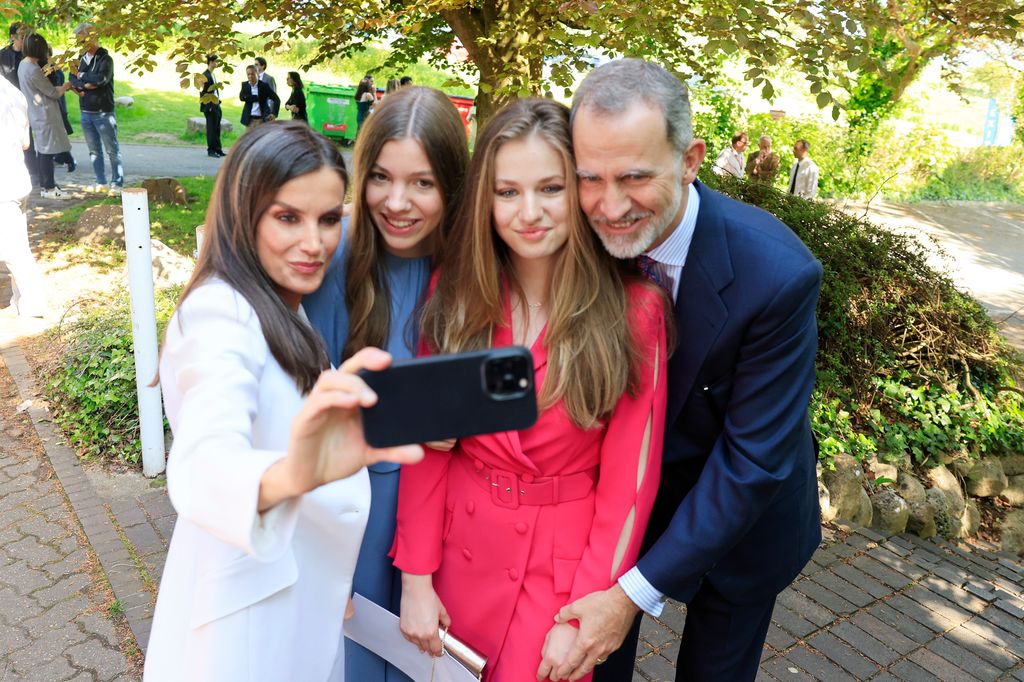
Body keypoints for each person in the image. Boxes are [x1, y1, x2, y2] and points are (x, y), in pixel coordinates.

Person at [555, 57, 822, 682]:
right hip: (620, 514)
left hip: (744, 523)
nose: (609, 206)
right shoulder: (582, 240)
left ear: (692, 159)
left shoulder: (778, 275)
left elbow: (753, 460)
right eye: (589, 178)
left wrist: (633, 594)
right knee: (594, 659)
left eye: (635, 177)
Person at [393, 98, 668, 682]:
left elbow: (629, 487)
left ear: (579, 191)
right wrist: (416, 579)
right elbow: (426, 449)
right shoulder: (459, 293)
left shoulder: (632, 312)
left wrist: (588, 611)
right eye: (508, 192)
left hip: (559, 578)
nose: (529, 212)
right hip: (457, 555)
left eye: (550, 188)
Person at [142, 121, 424, 682]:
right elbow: (203, 464)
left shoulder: (279, 301)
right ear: (242, 211)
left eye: (327, 219)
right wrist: (295, 471)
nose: (314, 243)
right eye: (287, 217)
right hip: (246, 636)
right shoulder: (220, 315)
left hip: (297, 606)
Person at [303, 86, 469, 682]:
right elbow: (305, 408)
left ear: (453, 184)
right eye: (380, 177)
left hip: (448, 521)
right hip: (356, 517)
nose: (396, 202)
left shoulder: (474, 268)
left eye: (422, 183)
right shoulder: (332, 257)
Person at [0, 68, 48, 317]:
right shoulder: (13, 92)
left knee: (13, 251)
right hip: (17, 178)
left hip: (3, 187)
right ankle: (22, 300)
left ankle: (33, 303)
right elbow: (25, 143)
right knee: (17, 245)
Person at [18, 32, 74, 199]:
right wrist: (65, 86)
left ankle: (47, 186)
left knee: (44, 150)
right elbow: (51, 92)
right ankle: (49, 188)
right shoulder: (33, 69)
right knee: (46, 152)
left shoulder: (23, 64)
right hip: (44, 114)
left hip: (36, 113)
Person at [70, 23, 124, 193]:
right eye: (80, 40)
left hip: (103, 112)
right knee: (94, 150)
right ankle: (101, 182)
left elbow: (101, 79)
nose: (82, 43)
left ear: (93, 37)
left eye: (84, 38)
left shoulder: (105, 59)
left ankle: (117, 183)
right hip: (85, 112)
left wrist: (83, 77)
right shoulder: (79, 59)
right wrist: (85, 83)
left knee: (112, 150)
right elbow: (72, 79)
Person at [2, 22, 39, 187]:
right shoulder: (2, 55)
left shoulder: (32, 54)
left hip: (31, 100)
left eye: (27, 36)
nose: (25, 40)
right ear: (12, 37)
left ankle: (36, 171)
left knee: (30, 138)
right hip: (10, 103)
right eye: (22, 36)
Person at [239, 64, 280, 129]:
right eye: (248, 74)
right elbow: (241, 97)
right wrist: (255, 98)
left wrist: (274, 113)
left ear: (257, 74)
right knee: (250, 139)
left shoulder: (264, 86)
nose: (250, 76)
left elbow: (276, 99)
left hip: (262, 119)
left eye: (252, 74)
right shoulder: (245, 85)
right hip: (250, 120)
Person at [199, 54, 224, 157]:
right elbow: (203, 92)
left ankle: (218, 149)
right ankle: (211, 150)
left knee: (217, 127)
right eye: (215, 61)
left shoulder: (212, 74)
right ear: (211, 62)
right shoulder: (204, 75)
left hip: (216, 105)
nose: (217, 63)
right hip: (210, 106)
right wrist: (208, 106)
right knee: (211, 129)